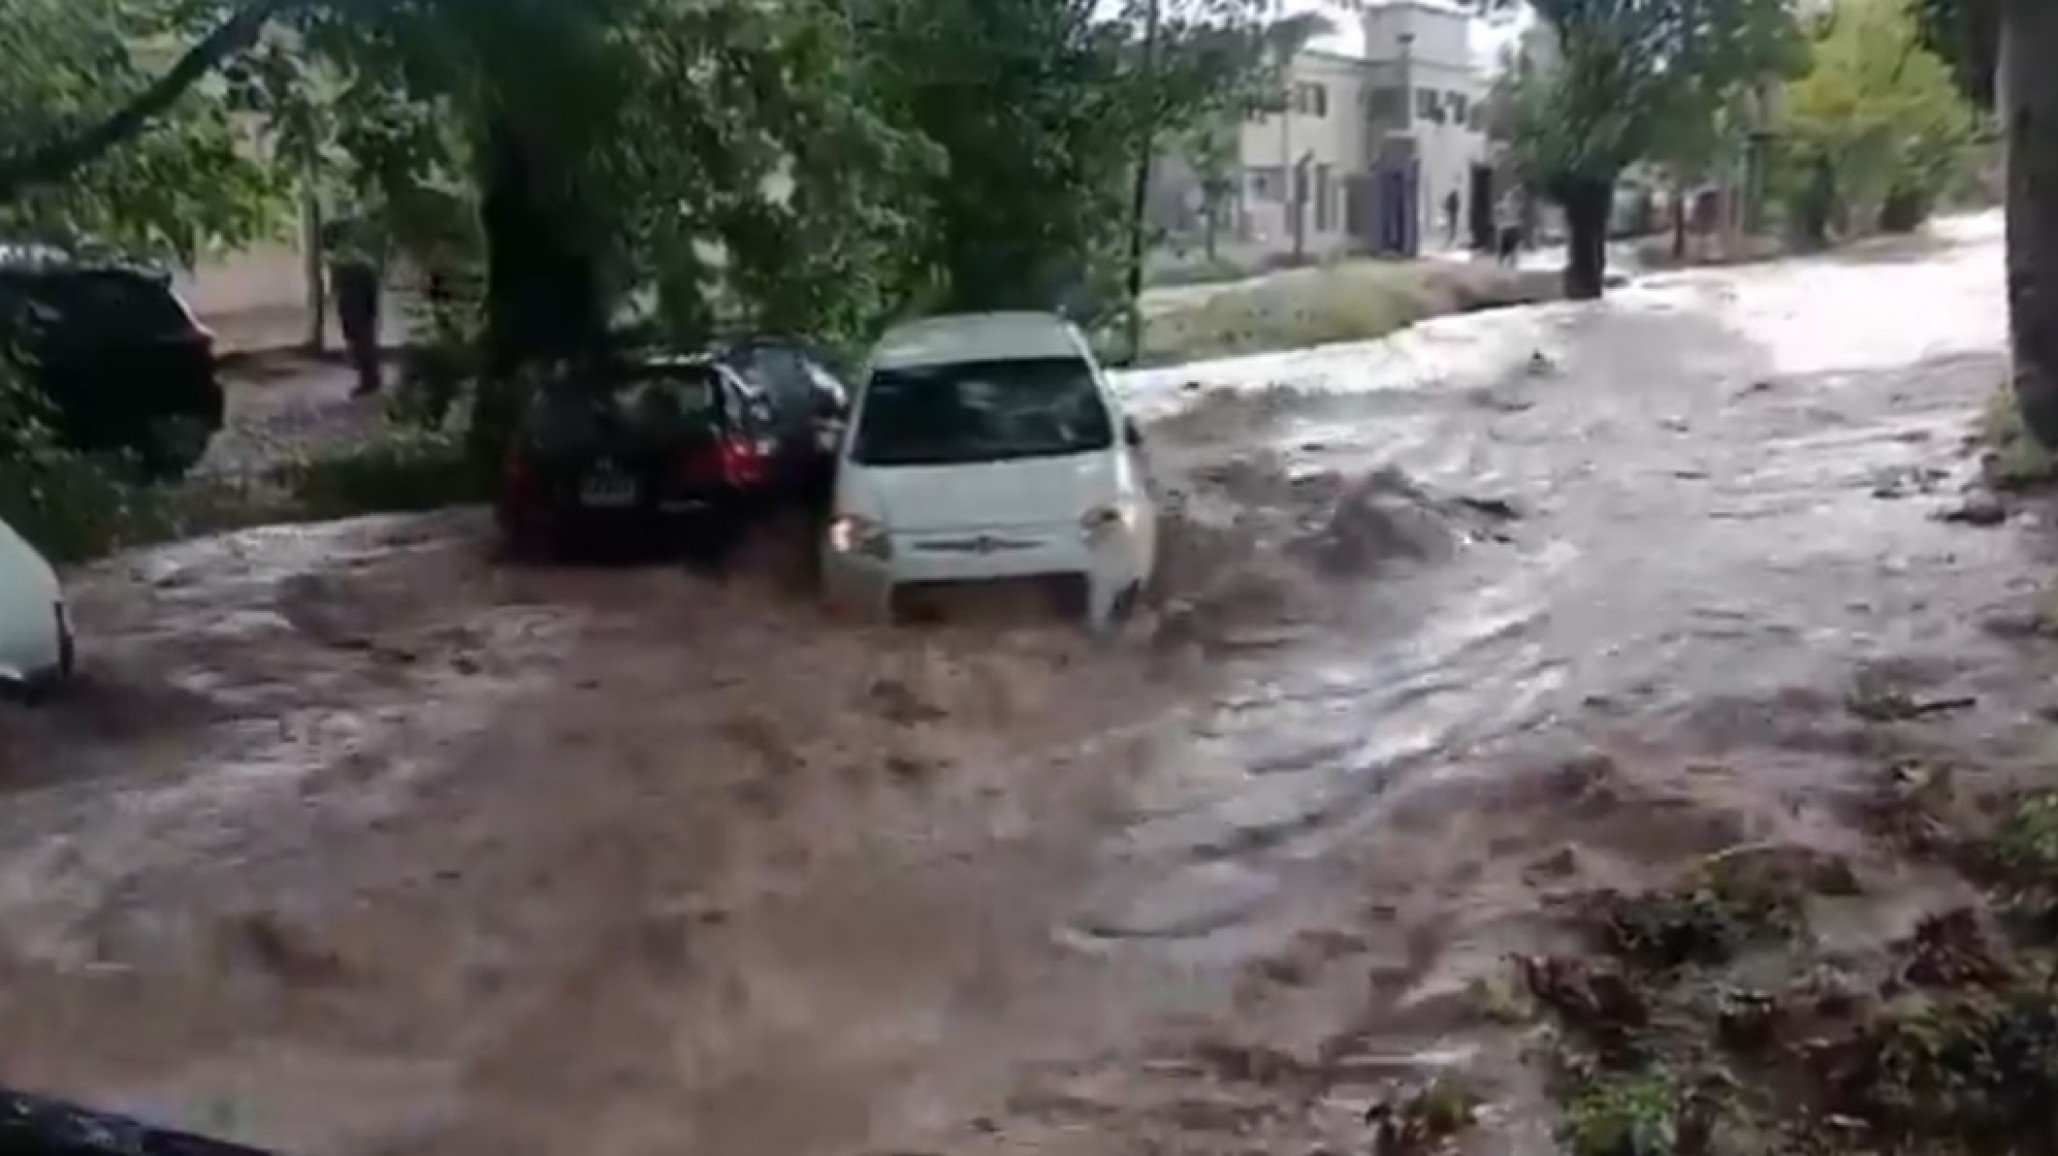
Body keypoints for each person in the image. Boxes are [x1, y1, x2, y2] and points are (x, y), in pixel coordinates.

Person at [324, 217, 384, 398]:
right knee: (363, 337)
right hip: (358, 300)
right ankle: (370, 378)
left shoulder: (344, 261)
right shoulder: (358, 260)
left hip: (353, 300)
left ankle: (369, 380)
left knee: (360, 339)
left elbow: (336, 287)